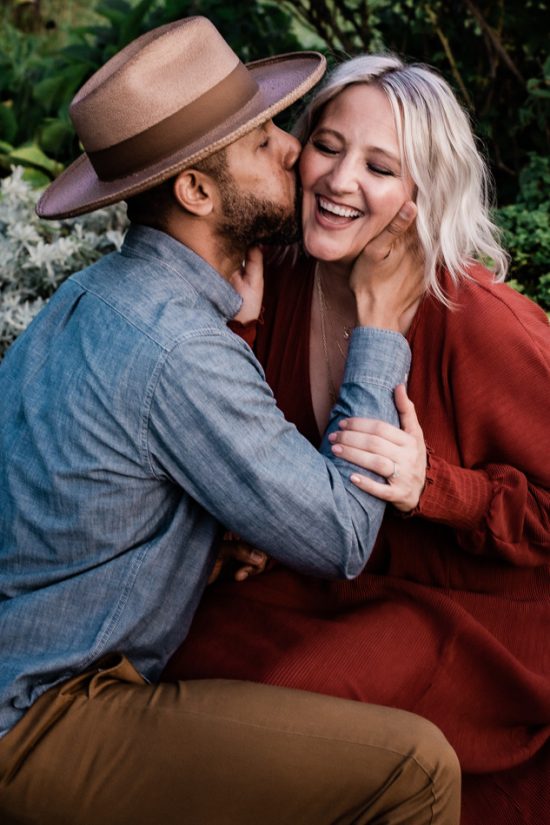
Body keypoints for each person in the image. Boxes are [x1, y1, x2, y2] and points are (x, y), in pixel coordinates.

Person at [0, 18, 462, 825]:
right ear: (198, 193)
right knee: (417, 769)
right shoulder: (176, 346)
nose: (294, 149)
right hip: (40, 716)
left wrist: (205, 538)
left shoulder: (90, 296)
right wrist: (382, 324)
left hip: (28, 671)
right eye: (261, 142)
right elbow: (343, 537)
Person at [162, 54, 550, 824]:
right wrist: (239, 327)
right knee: (182, 668)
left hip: (472, 613)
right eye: (329, 146)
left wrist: (435, 485)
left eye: (380, 166)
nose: (340, 181)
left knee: (292, 710)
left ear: (420, 195)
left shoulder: (480, 321)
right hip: (329, 582)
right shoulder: (275, 282)